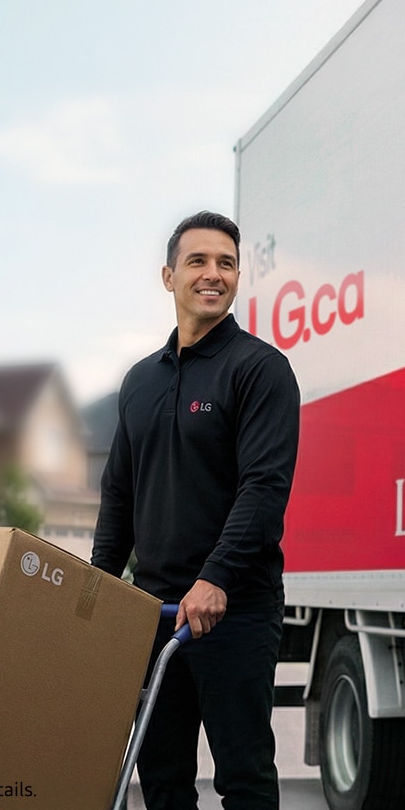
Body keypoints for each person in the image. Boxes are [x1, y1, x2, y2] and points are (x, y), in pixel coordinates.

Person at [91, 210, 300, 810]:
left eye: (227, 263)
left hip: (233, 607)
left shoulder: (260, 370)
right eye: (198, 261)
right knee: (160, 779)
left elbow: (263, 488)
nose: (214, 274)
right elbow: (119, 496)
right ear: (169, 276)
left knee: (244, 778)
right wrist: (99, 593)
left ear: (238, 277)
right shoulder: (140, 383)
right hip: (155, 615)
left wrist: (215, 578)